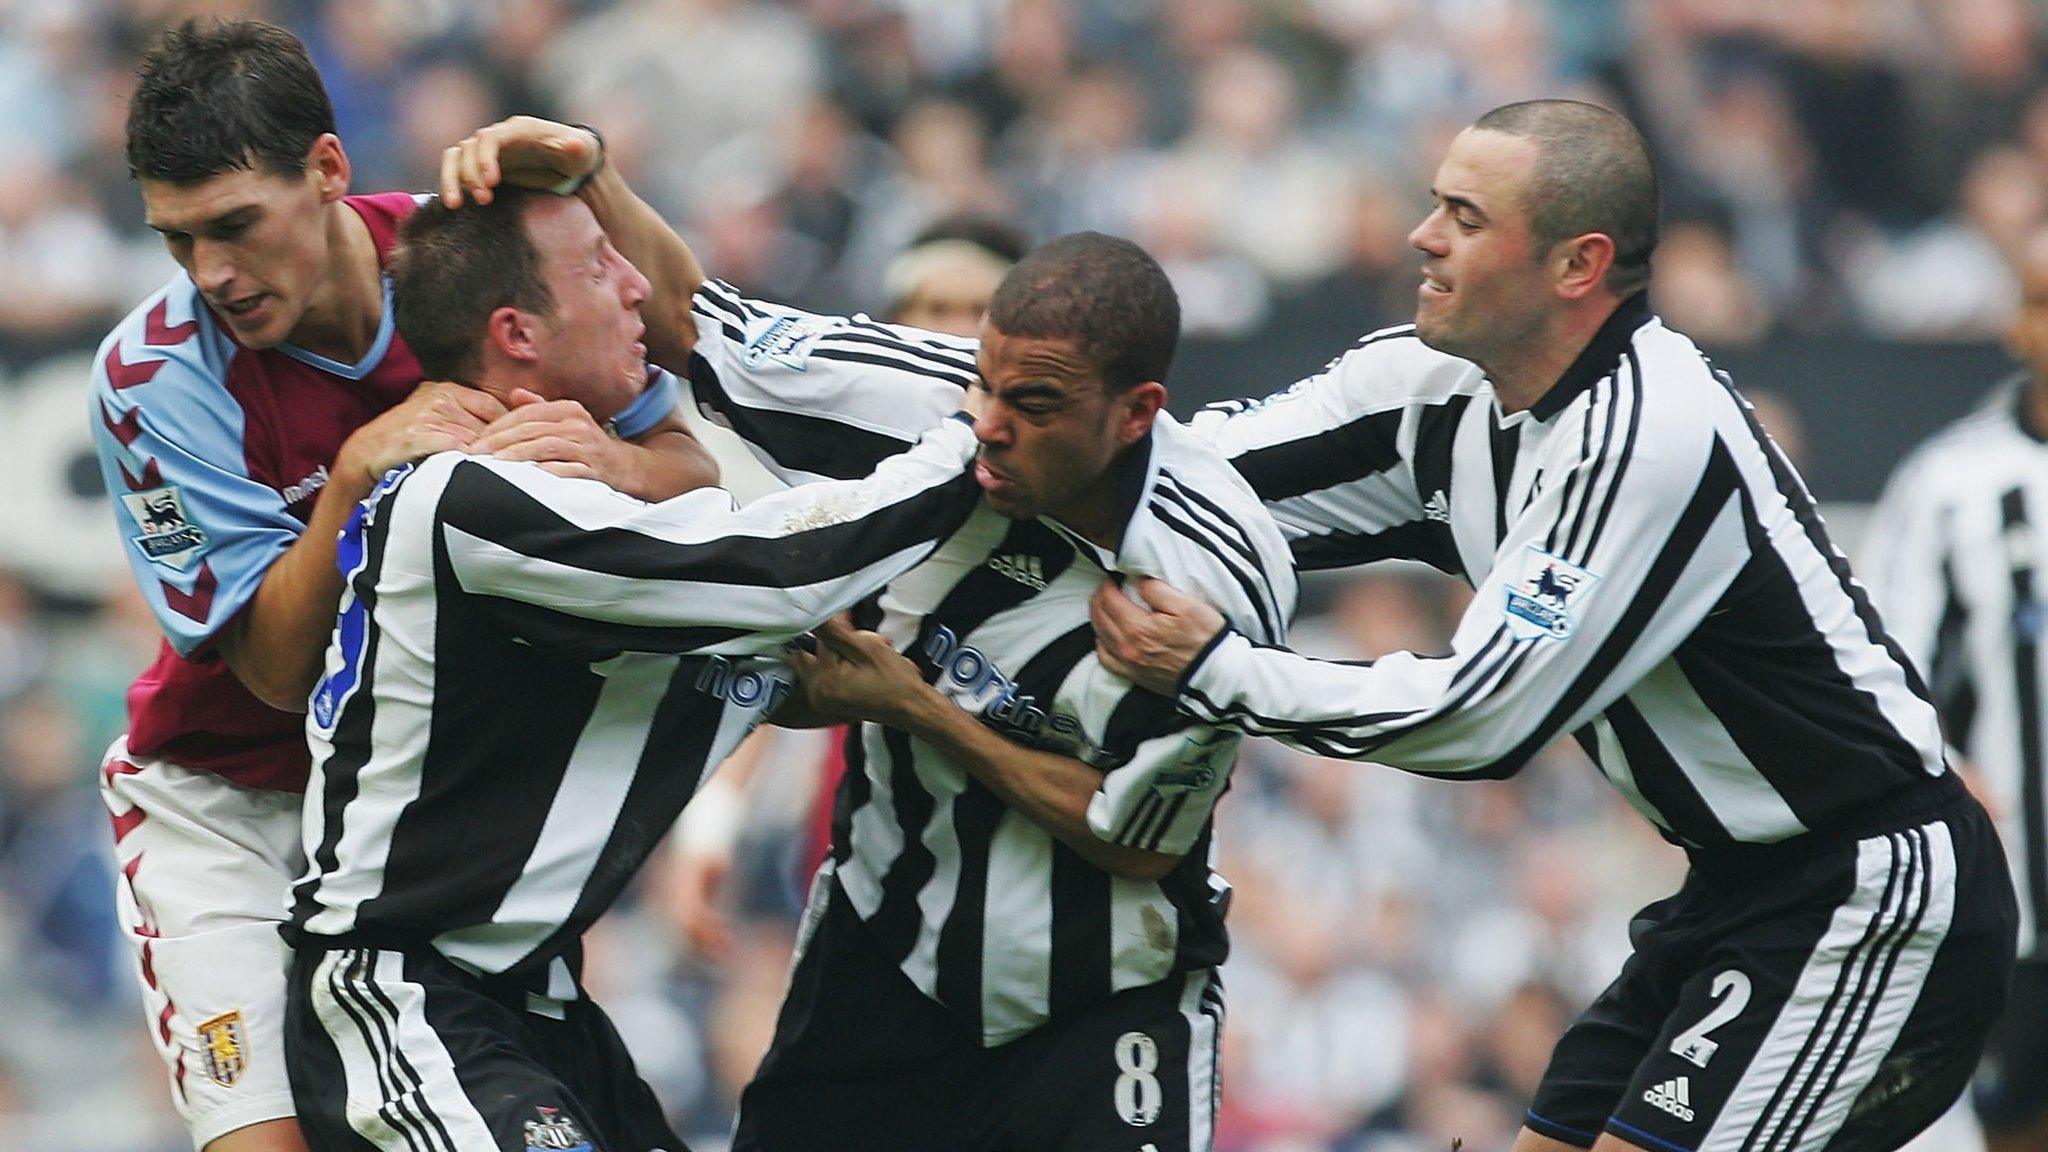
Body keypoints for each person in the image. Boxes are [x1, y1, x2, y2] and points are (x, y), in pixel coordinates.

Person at [1086, 99, 2019, 1152]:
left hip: (1866, 891)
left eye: (1465, 217)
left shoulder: (1644, 431)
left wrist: (1220, 671)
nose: (1420, 235)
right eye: (1434, 204)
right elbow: (1186, 476)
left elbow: (1481, 720)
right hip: (1731, 889)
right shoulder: (1429, 379)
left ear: (1576, 265)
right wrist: (993, 446)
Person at [442, 121, 1297, 1151]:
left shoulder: (1214, 574)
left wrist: (912, 707)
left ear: (1135, 412)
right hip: (884, 954)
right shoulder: (919, 395)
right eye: (984, 383)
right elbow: (693, 321)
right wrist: (594, 172)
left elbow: (1135, 838)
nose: (988, 424)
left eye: (1033, 404)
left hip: (1105, 998)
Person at [87, 22, 707, 1152]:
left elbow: (690, 460)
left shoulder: (462, 266)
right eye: (177, 241)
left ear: (328, 170)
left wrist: (614, 457)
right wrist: (359, 471)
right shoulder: (153, 377)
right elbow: (275, 679)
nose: (212, 273)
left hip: (424, 819)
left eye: (234, 226)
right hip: (232, 805)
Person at [280, 186, 989, 1152]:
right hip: (405, 994)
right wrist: (978, 432)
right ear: (517, 332)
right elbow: (775, 576)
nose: (632, 287)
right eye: (600, 266)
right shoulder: (473, 495)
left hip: (537, 1004)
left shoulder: (578, 496)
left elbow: (756, 631)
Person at [1861, 224, 2048, 1152]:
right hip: (2016, 897)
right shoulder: (1949, 486)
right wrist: (1948, 767)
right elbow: (1878, 670)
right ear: (2018, 323)